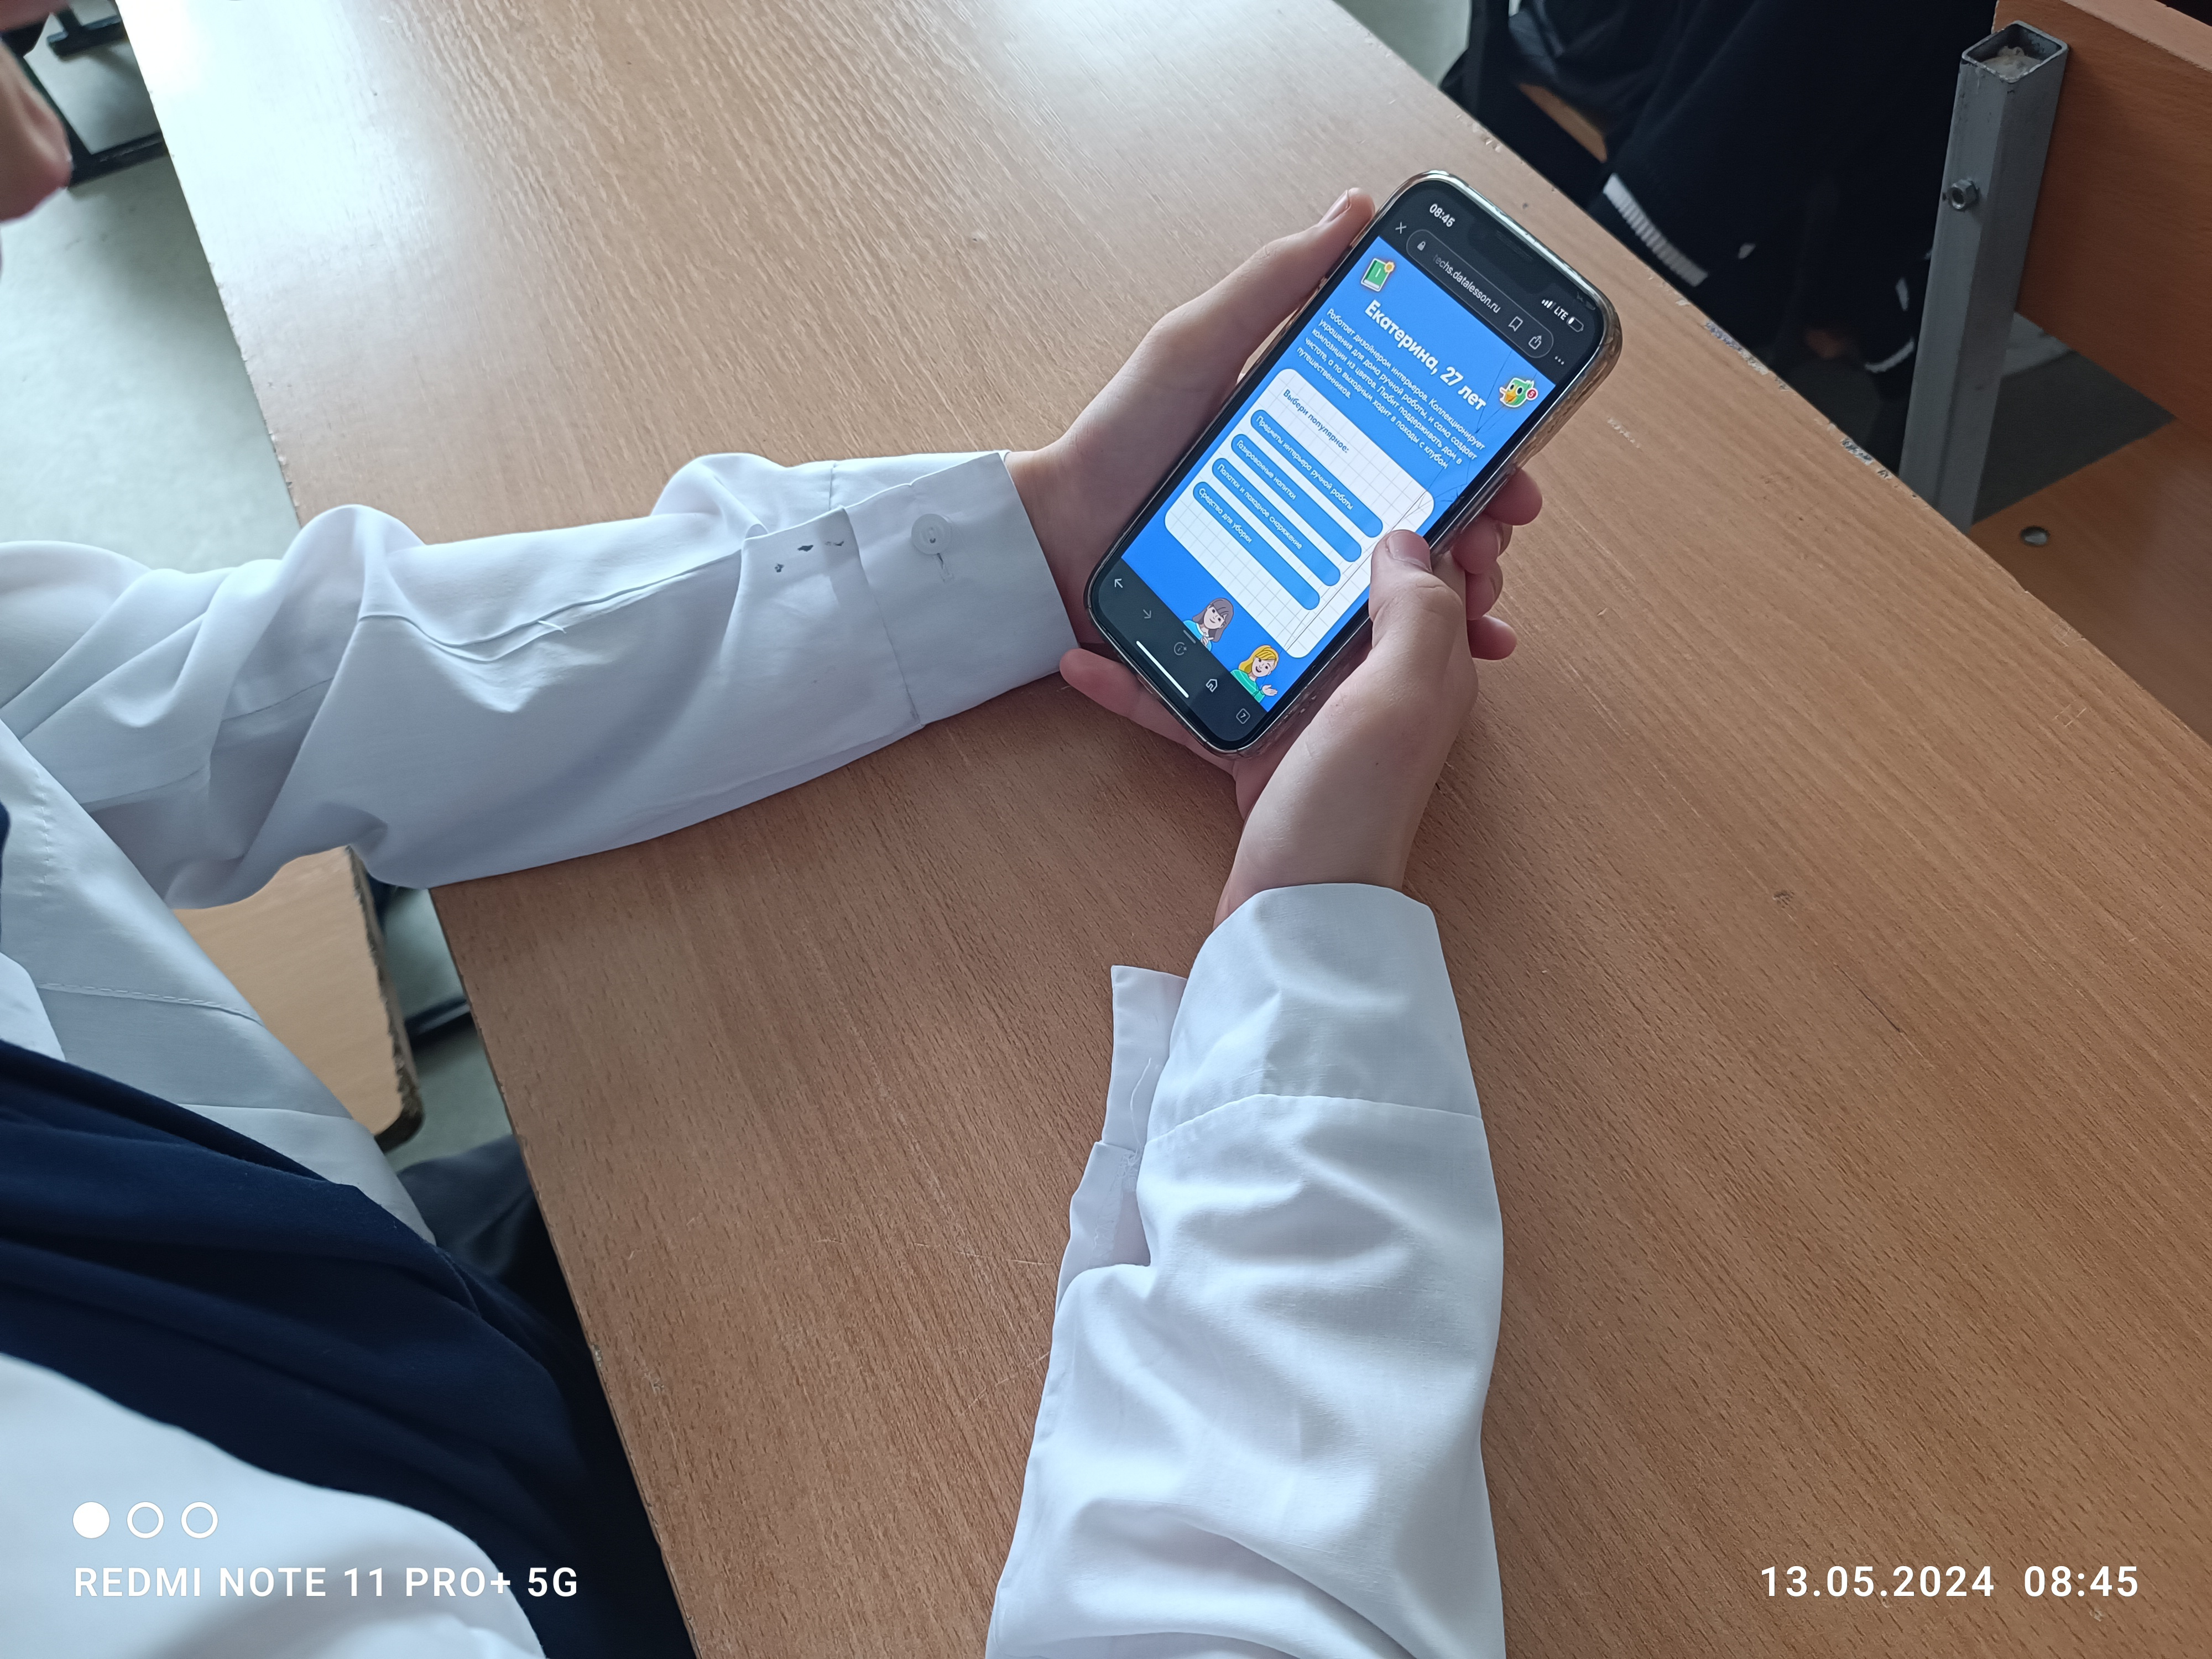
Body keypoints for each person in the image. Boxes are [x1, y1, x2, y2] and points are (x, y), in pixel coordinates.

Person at [2, 23, 1537, 1652]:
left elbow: (223, 693)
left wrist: (1025, 541)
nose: (40, 172)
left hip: (329, 1268)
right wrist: (1310, 942)